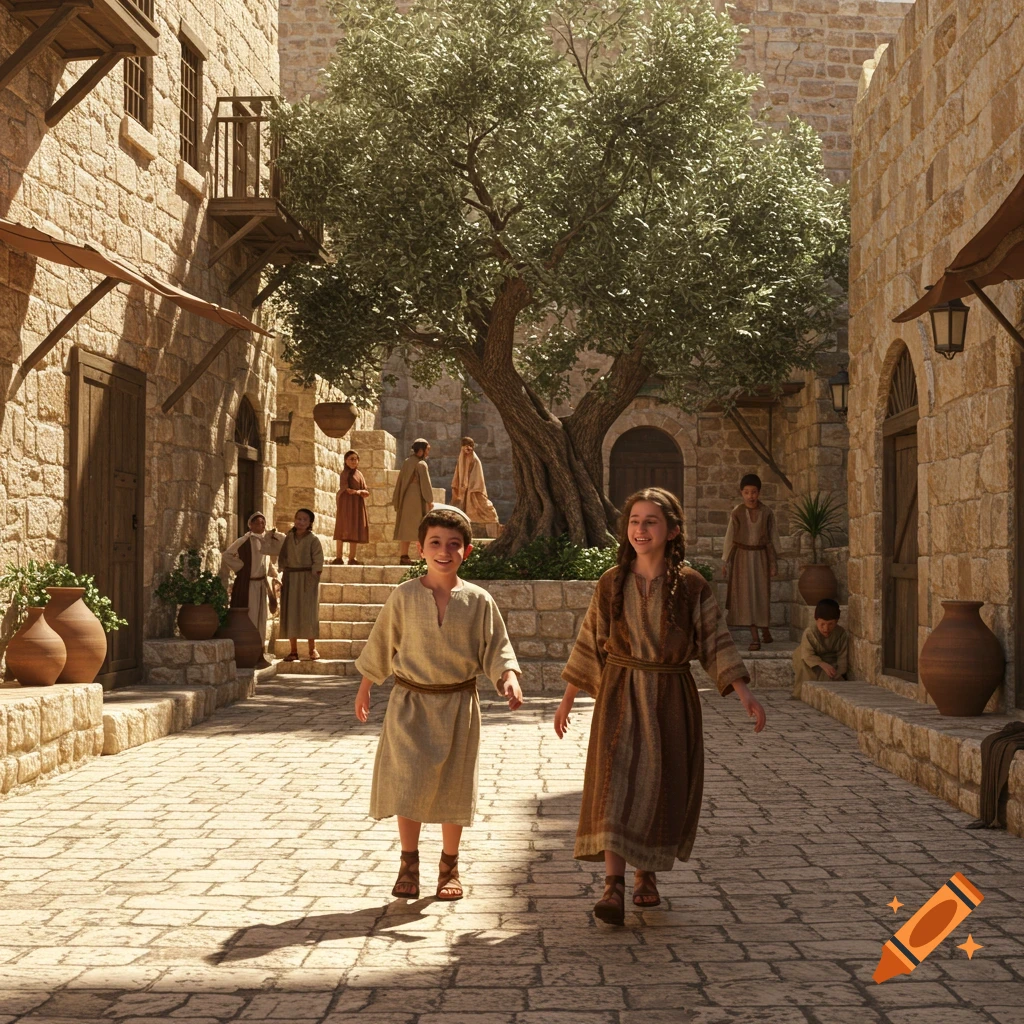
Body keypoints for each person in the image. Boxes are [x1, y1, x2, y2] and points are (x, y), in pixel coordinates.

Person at [553, 487, 766, 926]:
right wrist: (569, 697)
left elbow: (714, 641)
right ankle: (613, 887)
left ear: (672, 531)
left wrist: (742, 691)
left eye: (651, 521)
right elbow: (590, 641)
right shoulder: (611, 583)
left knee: (657, 787)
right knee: (615, 785)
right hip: (619, 693)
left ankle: (645, 874)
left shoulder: (691, 586)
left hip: (671, 697)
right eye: (634, 520)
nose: (640, 529)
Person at [354, 505, 524, 901]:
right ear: (420, 548)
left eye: (453, 544)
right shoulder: (404, 596)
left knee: (453, 785)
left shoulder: (479, 601)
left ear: (466, 551)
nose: (444, 551)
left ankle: (450, 866)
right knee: (407, 780)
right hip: (409, 705)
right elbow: (382, 643)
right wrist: (365, 687)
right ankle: (408, 862)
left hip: (458, 707)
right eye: (435, 543)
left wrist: (509, 677)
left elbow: (497, 647)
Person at [722, 473, 779, 651]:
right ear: (742, 493)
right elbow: (730, 537)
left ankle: (765, 628)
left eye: (754, 492)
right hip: (741, 559)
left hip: (761, 557)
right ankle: (755, 636)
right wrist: (725, 562)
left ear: (759, 493)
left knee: (761, 595)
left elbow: (773, 537)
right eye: (747, 492)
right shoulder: (737, 512)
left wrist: (774, 562)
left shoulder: (767, 512)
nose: (750, 496)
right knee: (746, 597)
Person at [222, 512, 286, 668]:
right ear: (250, 525)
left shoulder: (265, 541)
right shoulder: (244, 540)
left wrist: (274, 574)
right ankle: (247, 653)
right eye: (257, 523)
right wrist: (242, 568)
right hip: (249, 585)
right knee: (250, 618)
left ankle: (259, 654)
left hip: (261, 585)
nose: (261, 526)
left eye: (263, 523)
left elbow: (266, 562)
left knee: (261, 619)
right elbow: (227, 555)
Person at [278, 508, 324, 662]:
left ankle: (312, 649)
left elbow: (318, 561)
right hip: (290, 578)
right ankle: (293, 651)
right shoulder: (288, 537)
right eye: (298, 518)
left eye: (305, 519)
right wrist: (281, 574)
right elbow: (282, 556)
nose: (301, 522)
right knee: (291, 612)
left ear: (310, 522)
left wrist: (313, 578)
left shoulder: (313, 539)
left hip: (307, 579)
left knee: (308, 613)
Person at [791, 598, 848, 699]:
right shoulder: (810, 632)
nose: (826, 629)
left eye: (830, 624)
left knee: (832, 681)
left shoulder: (841, 634)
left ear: (837, 621)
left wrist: (838, 673)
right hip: (809, 660)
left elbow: (842, 657)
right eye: (822, 624)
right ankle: (801, 694)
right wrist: (822, 664)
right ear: (816, 620)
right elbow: (807, 654)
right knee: (805, 668)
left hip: (830, 661)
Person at [392, 439, 434, 565]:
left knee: (406, 527)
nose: (428, 452)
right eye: (427, 449)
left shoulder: (407, 462)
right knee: (421, 527)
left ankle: (403, 556)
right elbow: (425, 484)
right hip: (416, 498)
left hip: (406, 498)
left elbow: (400, 482)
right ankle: (423, 557)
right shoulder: (421, 464)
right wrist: (429, 500)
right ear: (421, 450)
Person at [451, 437, 499, 524]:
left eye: (469, 446)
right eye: (465, 446)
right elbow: (458, 472)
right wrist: (457, 486)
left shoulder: (475, 460)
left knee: (482, 506)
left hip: (473, 488)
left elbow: (476, 476)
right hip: (463, 489)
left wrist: (468, 486)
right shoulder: (462, 457)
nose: (467, 449)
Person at [334, 450, 370, 565]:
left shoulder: (359, 474)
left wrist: (360, 492)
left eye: (356, 459)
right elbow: (346, 489)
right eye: (351, 459)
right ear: (346, 461)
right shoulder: (344, 473)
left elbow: (365, 490)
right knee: (342, 528)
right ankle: (338, 557)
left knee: (355, 528)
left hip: (357, 504)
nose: (354, 461)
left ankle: (352, 558)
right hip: (346, 504)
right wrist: (358, 492)